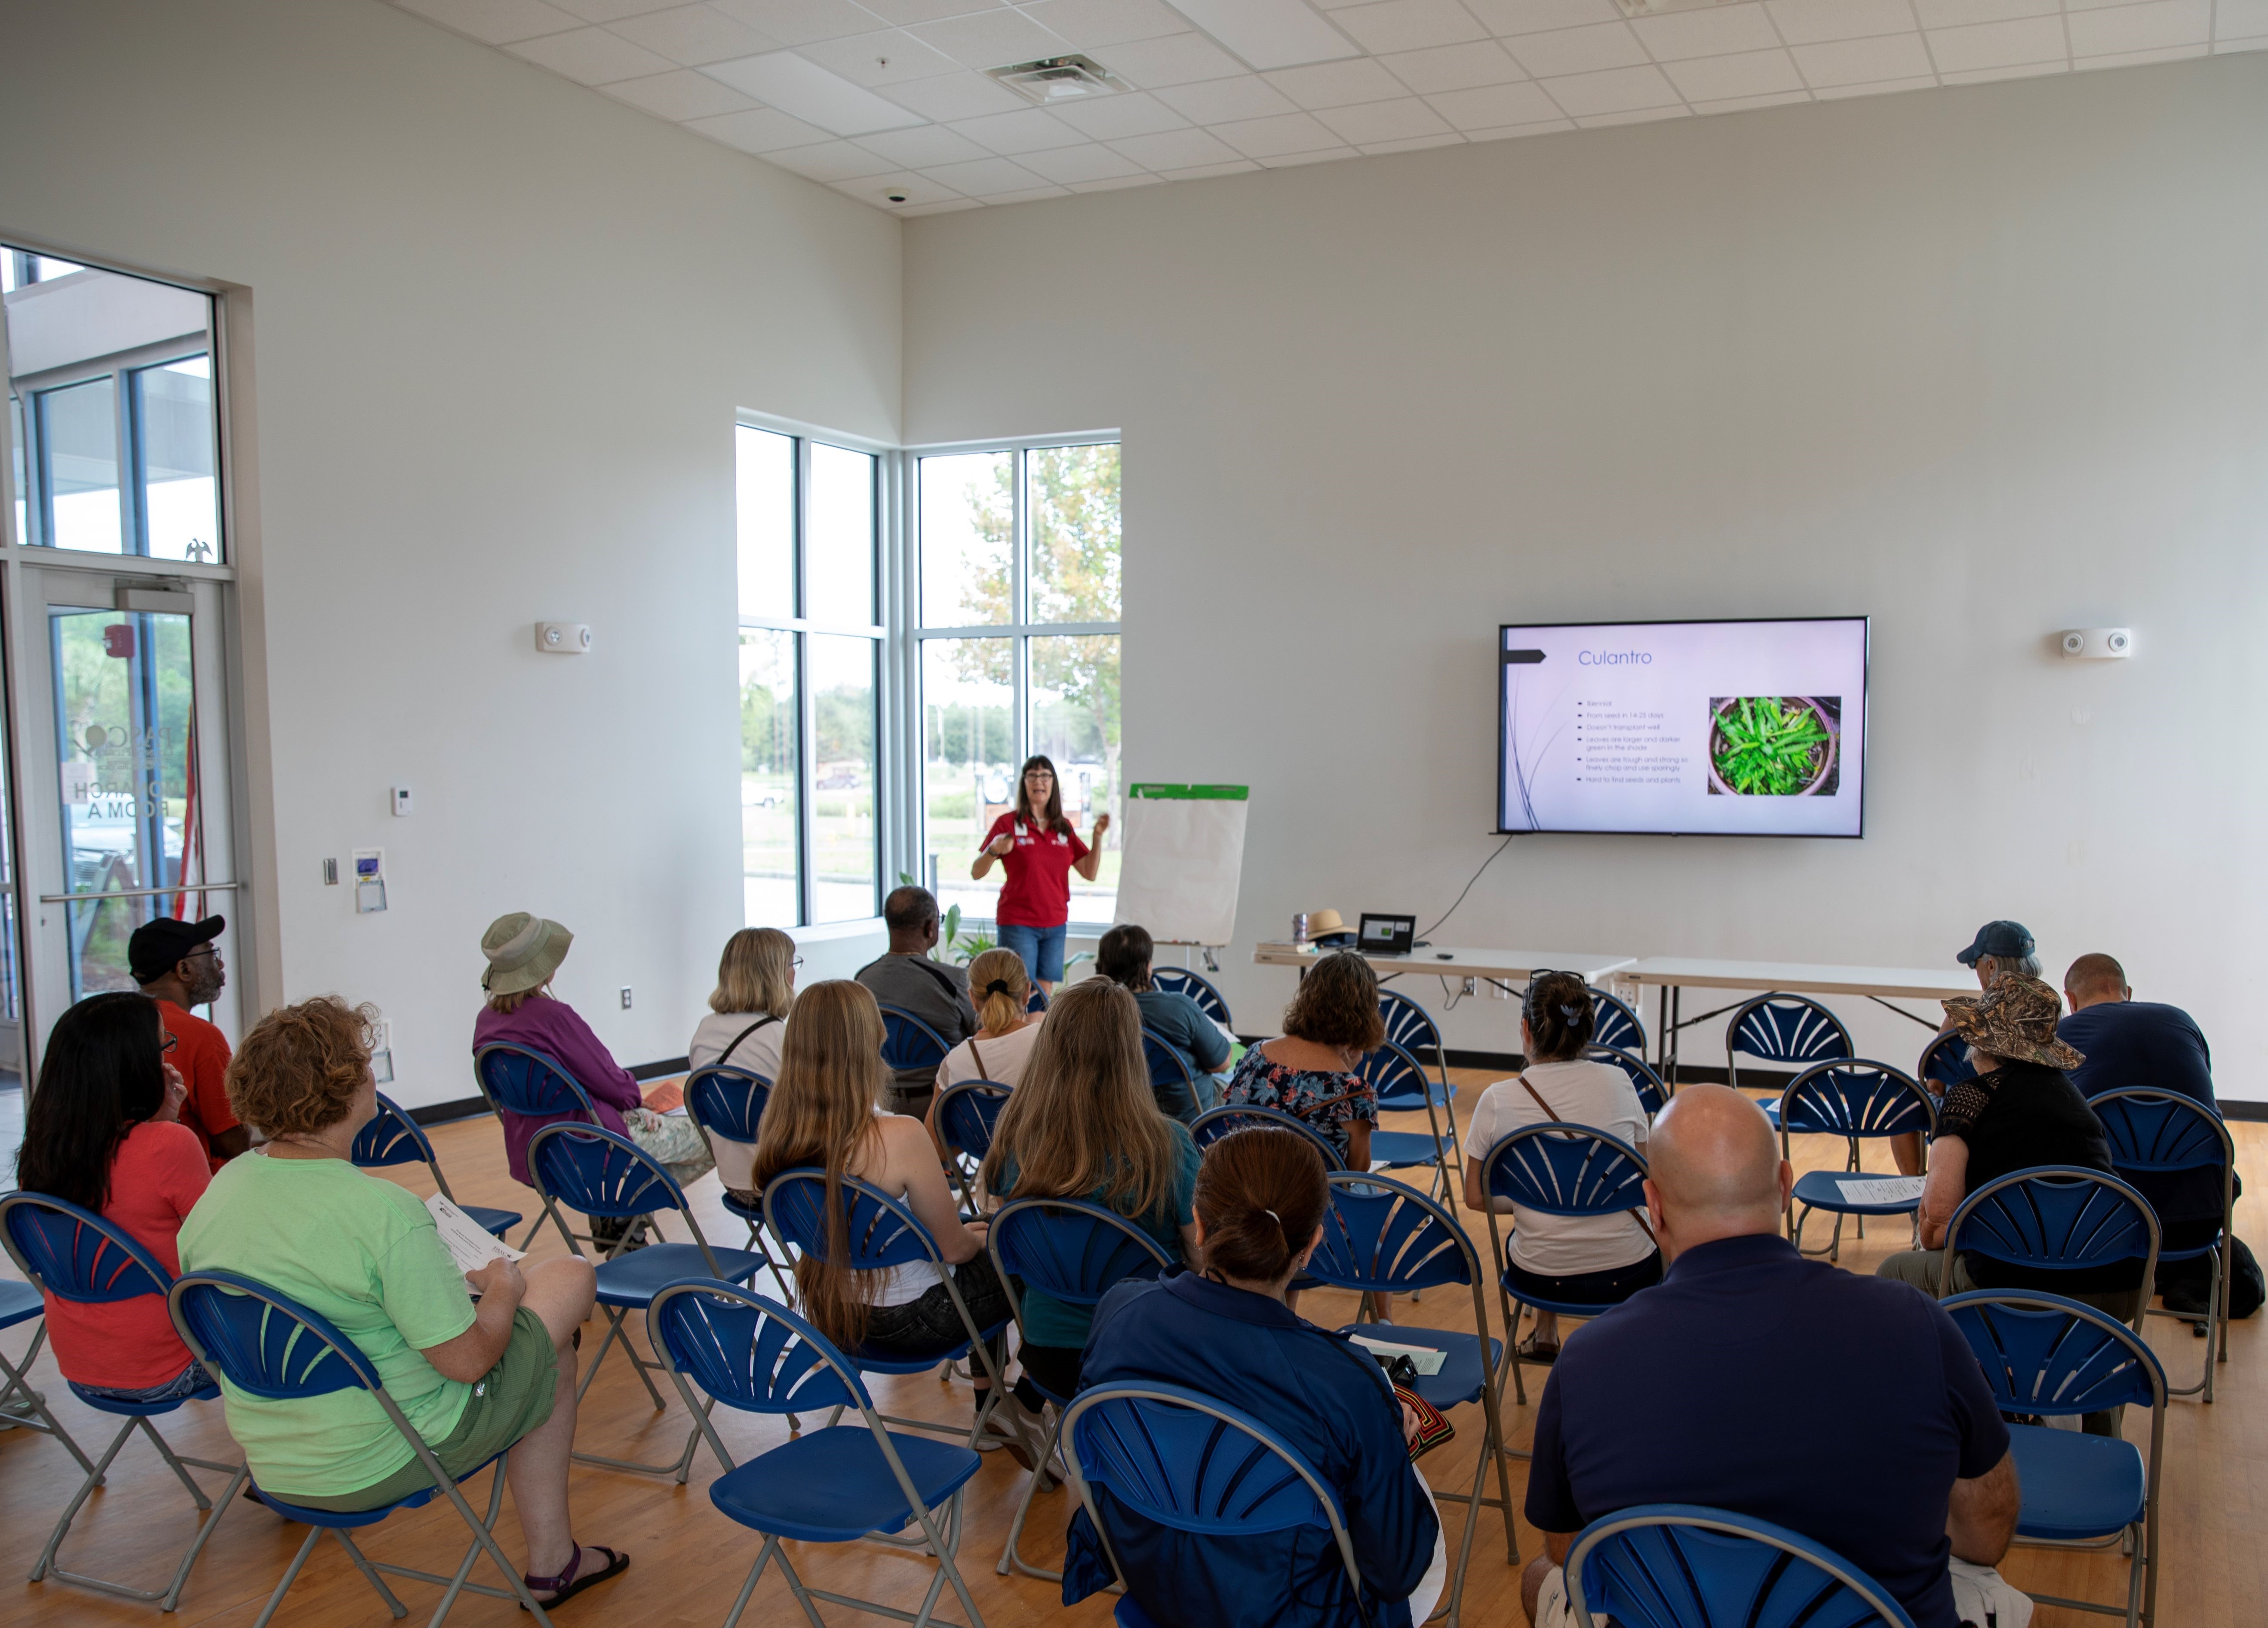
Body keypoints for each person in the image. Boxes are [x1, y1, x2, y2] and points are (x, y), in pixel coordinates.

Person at [178, 997, 624, 1609]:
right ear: (350, 1087)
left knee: (547, 1346)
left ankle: (557, 1560)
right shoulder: (382, 1212)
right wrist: (502, 1288)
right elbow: (468, 1363)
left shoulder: (221, 1190)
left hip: (277, 1460)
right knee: (569, 1281)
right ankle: (553, 1562)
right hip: (385, 1454)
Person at [1521, 1086, 2017, 1628]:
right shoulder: (1917, 1322)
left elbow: (1573, 1548)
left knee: (1540, 1577)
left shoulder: (1586, 1360)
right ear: (1785, 1187)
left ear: (1654, 1205)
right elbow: (1987, 1534)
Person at [1061, 1125, 1444, 1626]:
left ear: (1199, 1225)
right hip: (1292, 1612)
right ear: (1311, 1246)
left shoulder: (1121, 1314)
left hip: (1158, 1585)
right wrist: (1390, 1441)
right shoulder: (1347, 1382)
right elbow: (1396, 1570)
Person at [746, 980, 1028, 1456]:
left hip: (835, 1315)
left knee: (980, 1231)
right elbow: (954, 1250)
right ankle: (1003, 1406)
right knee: (1014, 1249)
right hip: (914, 1321)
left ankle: (995, 1407)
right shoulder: (898, 1134)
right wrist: (981, 1237)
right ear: (870, 1044)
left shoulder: (779, 1136)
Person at [1876, 973, 2143, 1427]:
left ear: (1980, 1042)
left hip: (2009, 1287)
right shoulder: (2077, 1103)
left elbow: (1938, 1224)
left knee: (1892, 1273)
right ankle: (2093, 1420)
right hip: (2111, 1293)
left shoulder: (1969, 1098)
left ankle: (1942, 1411)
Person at [978, 978, 1199, 1424]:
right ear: (1130, 1052)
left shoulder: (1015, 1136)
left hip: (1045, 1353)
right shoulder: (1168, 1145)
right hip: (1147, 1352)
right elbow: (1201, 1257)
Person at [13, 993, 212, 1404]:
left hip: (83, 1366)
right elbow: (220, 1250)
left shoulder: (44, 1148)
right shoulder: (169, 1145)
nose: (165, 1057)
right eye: (162, 1045)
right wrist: (167, 1127)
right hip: (171, 1365)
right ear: (135, 1063)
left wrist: (162, 1122)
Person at [1461, 972, 1657, 1363]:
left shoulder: (1497, 1100)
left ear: (1525, 1030)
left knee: (1549, 1206)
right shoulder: (1620, 1082)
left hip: (1539, 1272)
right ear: (1588, 1031)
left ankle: (1545, 1331)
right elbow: (1646, 1177)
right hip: (1628, 1267)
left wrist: (1529, 1200)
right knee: (1573, 1198)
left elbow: (1474, 1196)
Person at [471, 912, 712, 1205]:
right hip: (589, 1142)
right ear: (543, 969)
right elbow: (611, 1083)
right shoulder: (554, 1018)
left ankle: (616, 1217)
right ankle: (621, 1209)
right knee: (713, 1137)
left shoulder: (486, 1022)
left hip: (534, 1150)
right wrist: (635, 1101)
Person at [2059, 952, 2230, 1308]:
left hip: (2105, 1224)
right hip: (2199, 1221)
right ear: (2129, 992)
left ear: (2071, 1000)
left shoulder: (2065, 1033)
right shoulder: (2182, 1021)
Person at [1893, 917, 2049, 1176]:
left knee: (1902, 1108)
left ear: (1990, 965)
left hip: (1966, 1116)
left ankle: (1919, 1195)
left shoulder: (1963, 1017)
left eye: (1974, 964)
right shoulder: (2054, 1015)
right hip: (2035, 1116)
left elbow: (1935, 1085)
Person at [1220, 950, 1382, 1168]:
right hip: (1307, 1202)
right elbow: (1356, 1174)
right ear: (1367, 1016)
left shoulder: (1256, 1054)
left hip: (1239, 1189)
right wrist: (1347, 1074)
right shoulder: (1356, 1095)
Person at [969, 754, 1108, 994]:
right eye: (1032, 776)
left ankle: (1037, 1033)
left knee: (1044, 994)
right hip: (1018, 922)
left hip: (1055, 923)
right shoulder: (1008, 823)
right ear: (1024, 783)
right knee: (1017, 992)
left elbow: (1089, 872)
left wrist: (1097, 837)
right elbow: (976, 872)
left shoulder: (1062, 826)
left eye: (1045, 776)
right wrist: (994, 850)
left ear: (1053, 783)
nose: (1039, 781)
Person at [688, 927, 796, 1203]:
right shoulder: (780, 1038)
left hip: (735, 1185)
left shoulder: (705, 1031)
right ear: (776, 976)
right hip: (784, 1185)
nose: (794, 973)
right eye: (791, 964)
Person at [129, 914, 247, 1169]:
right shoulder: (200, 1035)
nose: (221, 963)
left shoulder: (108, 1023)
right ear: (184, 969)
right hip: (187, 1189)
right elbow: (233, 1144)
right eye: (211, 955)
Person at [857, 886, 979, 1117]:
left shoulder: (862, 981)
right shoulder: (953, 982)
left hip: (882, 1105)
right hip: (946, 1107)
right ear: (930, 928)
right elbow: (982, 1034)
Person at [1096, 923, 1232, 1121]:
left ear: (1103, 965)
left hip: (1119, 1120)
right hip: (1188, 1121)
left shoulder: (1089, 1012)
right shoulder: (1179, 1008)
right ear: (1148, 967)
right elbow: (1222, 1063)